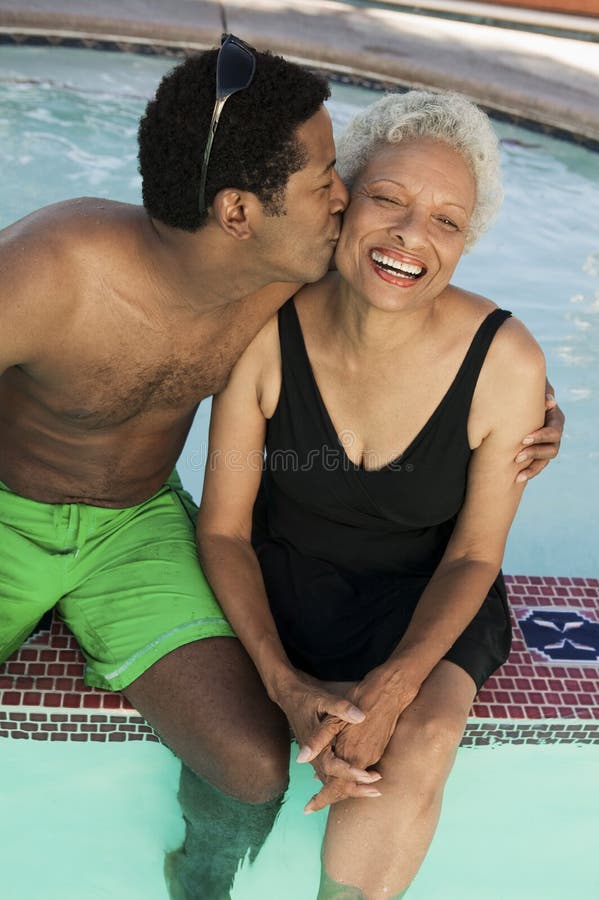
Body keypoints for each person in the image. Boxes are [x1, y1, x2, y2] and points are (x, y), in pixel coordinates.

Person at [0, 36, 561, 898]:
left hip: (140, 527)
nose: (342, 203)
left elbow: (417, 328)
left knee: (258, 766)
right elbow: (229, 524)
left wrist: (527, 413)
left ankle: (203, 878)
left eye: (339, 175)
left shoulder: (287, 283)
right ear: (238, 214)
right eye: (333, 182)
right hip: (22, 516)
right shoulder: (73, 270)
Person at [197, 89, 552, 898]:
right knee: (231, 758)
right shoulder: (266, 327)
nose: (409, 235)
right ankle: (205, 869)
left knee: (420, 738)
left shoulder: (505, 362)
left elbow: (472, 554)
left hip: (424, 596)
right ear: (344, 198)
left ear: (465, 242)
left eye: (445, 221)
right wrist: (283, 683)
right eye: (387, 198)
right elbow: (222, 532)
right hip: (281, 577)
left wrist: (394, 686)